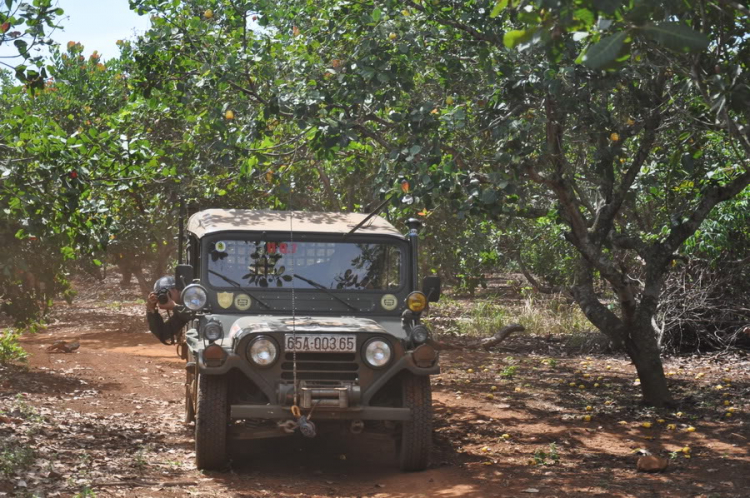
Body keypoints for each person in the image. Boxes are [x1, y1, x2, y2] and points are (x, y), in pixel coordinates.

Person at [146, 276, 191, 345]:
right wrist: (151, 310)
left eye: (167, 293)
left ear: (177, 290)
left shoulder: (193, 298)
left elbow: (192, 314)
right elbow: (163, 333)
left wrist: (174, 307)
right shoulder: (179, 313)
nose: (165, 297)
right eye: (160, 294)